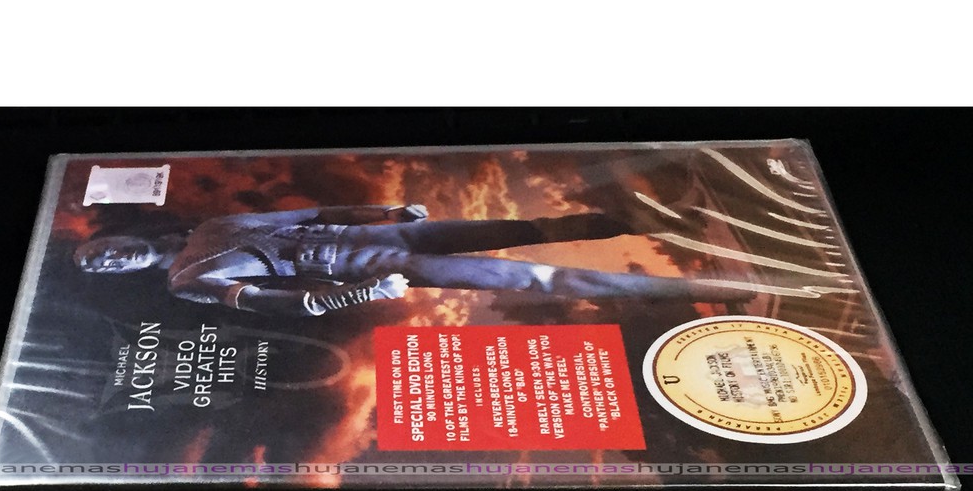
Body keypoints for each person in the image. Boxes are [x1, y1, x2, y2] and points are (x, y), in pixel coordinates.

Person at [74, 203, 755, 317]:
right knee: (537, 276)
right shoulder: (188, 281)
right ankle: (712, 286)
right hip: (377, 269)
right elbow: (287, 302)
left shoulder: (215, 224)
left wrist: (388, 211)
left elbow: (313, 212)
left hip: (398, 237)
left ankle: (672, 218)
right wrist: (362, 294)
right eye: (100, 267)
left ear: (120, 236)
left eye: (99, 250)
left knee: (534, 226)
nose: (108, 258)